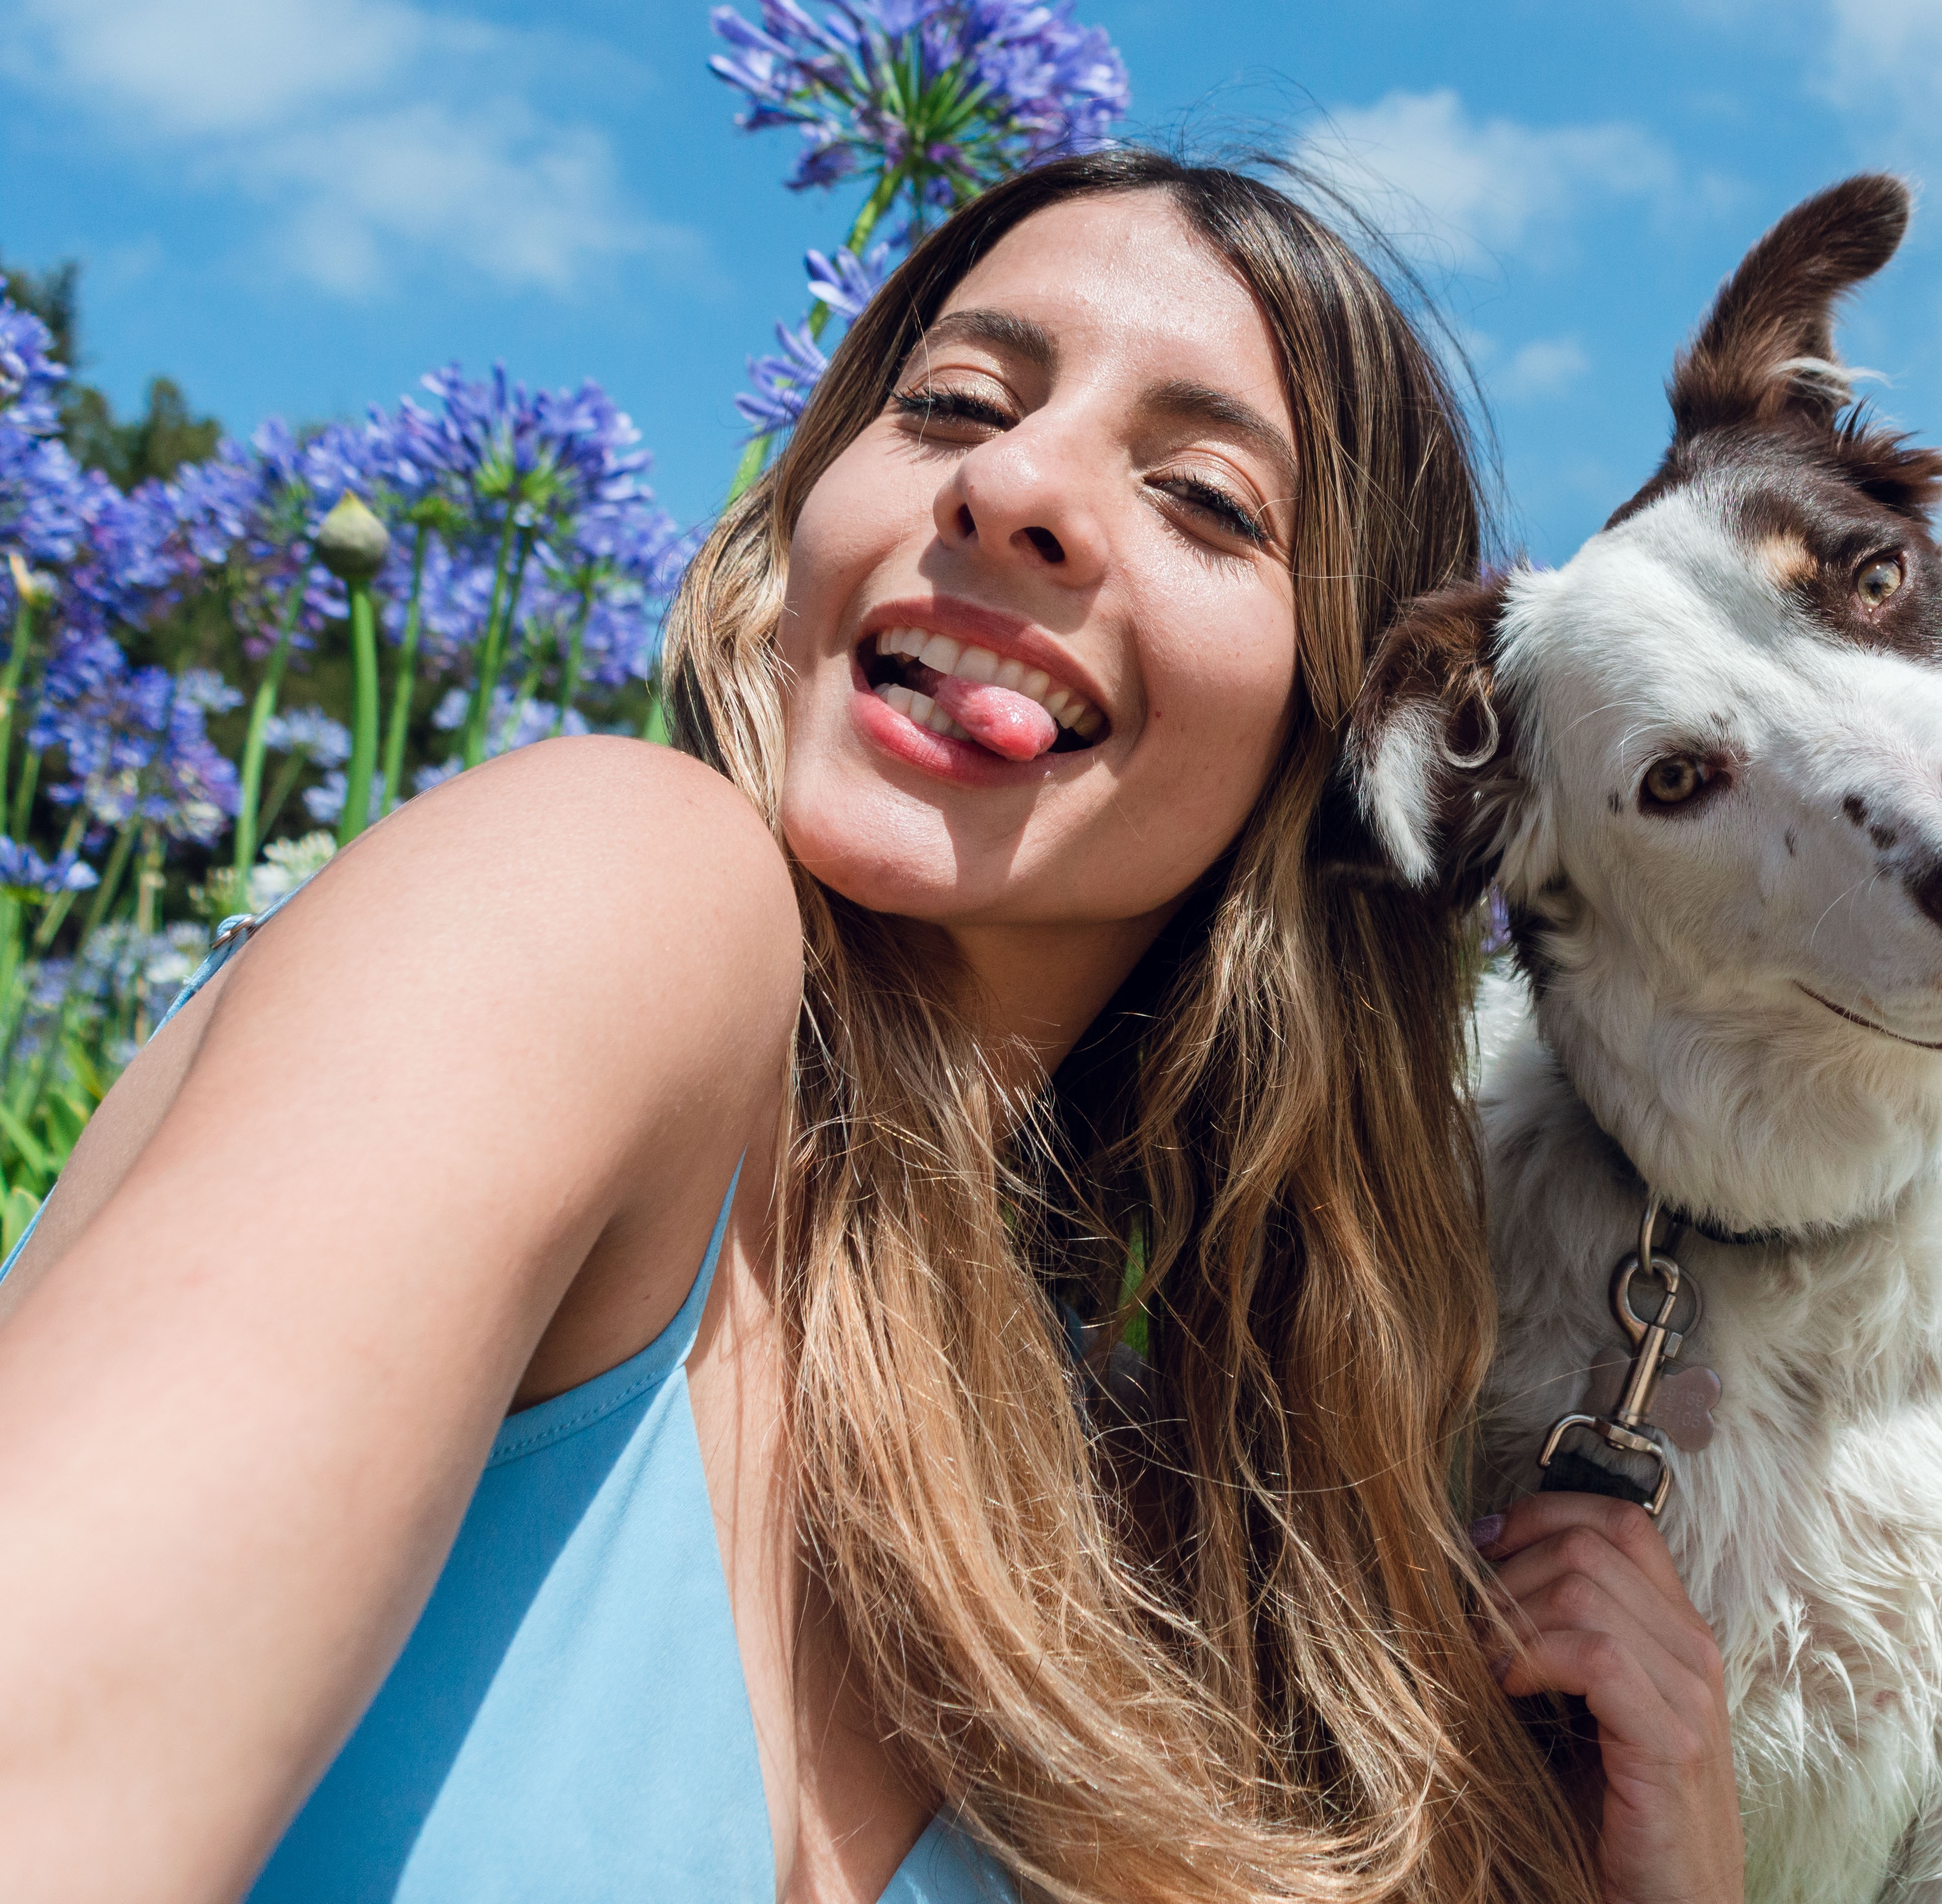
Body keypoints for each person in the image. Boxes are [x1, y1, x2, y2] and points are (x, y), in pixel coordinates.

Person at [0, 151, 1743, 1904]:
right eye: (953, 402)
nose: (1013, 483)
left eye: (1209, 500)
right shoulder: (601, 892)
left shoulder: (1188, 1536)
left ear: (1340, 757)